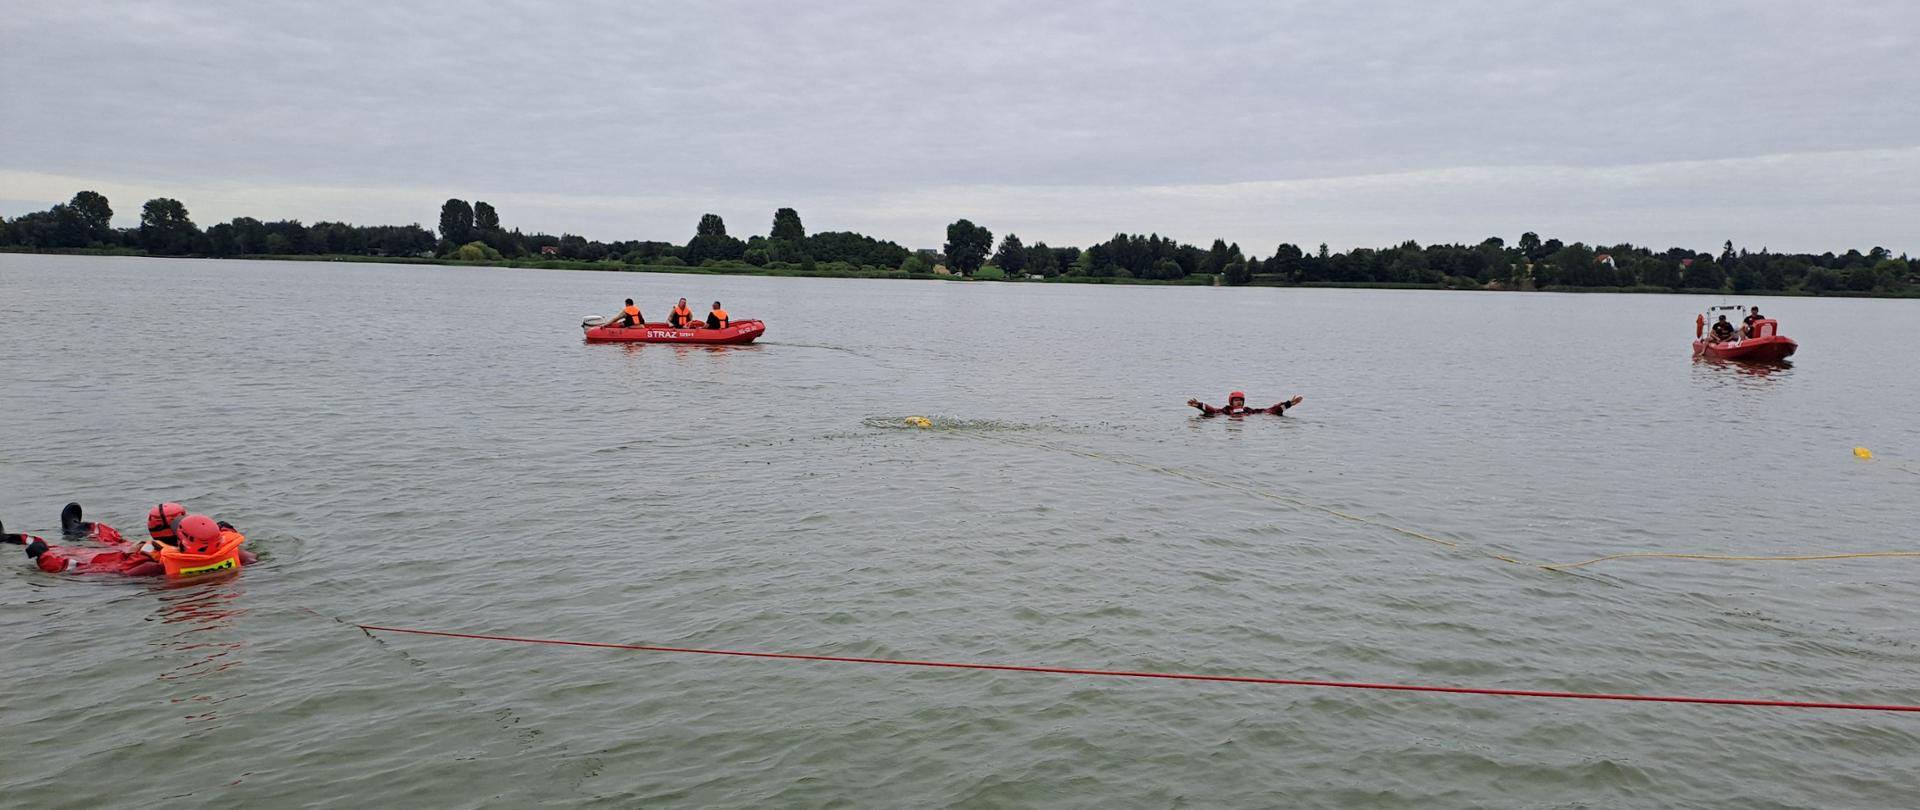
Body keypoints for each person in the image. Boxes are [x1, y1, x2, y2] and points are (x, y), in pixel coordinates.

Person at [1188, 391, 1305, 417]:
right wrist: (1200, 405)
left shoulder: (1249, 411)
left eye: (1240, 400)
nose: (1238, 402)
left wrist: (1288, 404)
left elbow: (1269, 411)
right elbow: (1213, 411)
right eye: (1236, 400)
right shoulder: (1226, 411)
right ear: (1231, 402)